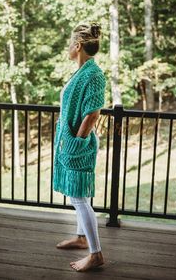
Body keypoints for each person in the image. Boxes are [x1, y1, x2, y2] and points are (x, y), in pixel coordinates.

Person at [54, 22, 106, 272]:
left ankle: (96, 254)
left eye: (69, 43)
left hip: (80, 145)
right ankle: (81, 237)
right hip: (74, 142)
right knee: (77, 195)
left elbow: (93, 113)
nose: (67, 47)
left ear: (77, 46)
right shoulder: (81, 72)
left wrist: (77, 141)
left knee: (79, 197)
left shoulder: (94, 74)